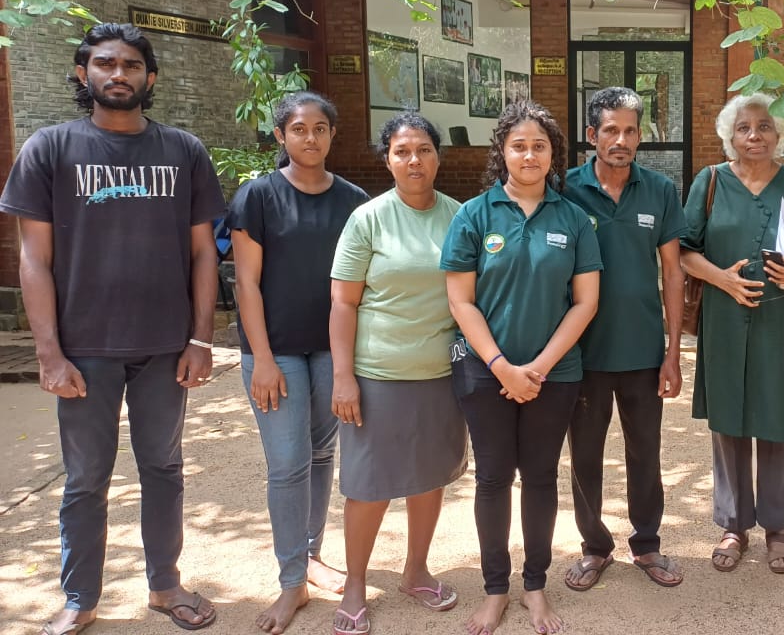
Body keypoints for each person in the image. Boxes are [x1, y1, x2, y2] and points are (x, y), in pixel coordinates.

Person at [0, 22, 224, 633]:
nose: (117, 74)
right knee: (86, 480)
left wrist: (201, 338)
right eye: (104, 64)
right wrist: (48, 352)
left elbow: (205, 252)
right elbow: (33, 260)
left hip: (164, 348)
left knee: (163, 469)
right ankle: (80, 598)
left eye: (130, 65)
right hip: (84, 349)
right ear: (83, 74)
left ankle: (165, 586)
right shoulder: (50, 149)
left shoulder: (182, 151)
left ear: (150, 78)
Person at [441, 100, 602, 635]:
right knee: (491, 478)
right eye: (519, 145)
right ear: (502, 152)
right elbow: (461, 301)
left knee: (539, 477)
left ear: (553, 153)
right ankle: (495, 590)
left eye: (539, 145)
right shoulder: (474, 215)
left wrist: (536, 367)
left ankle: (535, 586)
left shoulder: (574, 218)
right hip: (484, 374)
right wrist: (501, 365)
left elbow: (585, 302)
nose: (529, 154)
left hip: (554, 376)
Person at [678, 93, 784, 577]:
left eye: (765, 127)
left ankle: (776, 527)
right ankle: (733, 525)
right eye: (745, 128)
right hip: (724, 321)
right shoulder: (709, 182)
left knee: (777, 418)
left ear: (778, 135)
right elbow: (685, 251)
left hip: (780, 320)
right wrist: (720, 277)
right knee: (728, 420)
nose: (755, 136)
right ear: (731, 134)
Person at [227, 91, 369, 634]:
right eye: (298, 129)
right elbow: (246, 282)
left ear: (332, 135)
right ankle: (292, 583)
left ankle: (310, 555)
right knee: (287, 465)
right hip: (276, 351)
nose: (310, 138)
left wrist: (348, 362)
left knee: (319, 452)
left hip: (331, 350)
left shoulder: (353, 200)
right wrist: (262, 358)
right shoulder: (258, 197)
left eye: (320, 129)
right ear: (281, 135)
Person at [328, 113, 469, 635]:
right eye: (403, 151)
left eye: (425, 150)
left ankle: (415, 570)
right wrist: (344, 376)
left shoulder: (459, 215)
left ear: (438, 156)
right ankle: (355, 583)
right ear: (387, 158)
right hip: (377, 374)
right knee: (369, 485)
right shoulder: (368, 220)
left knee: (428, 477)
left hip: (439, 373)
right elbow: (343, 303)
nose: (415, 160)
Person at [561, 87, 688, 591]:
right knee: (586, 455)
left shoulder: (659, 190)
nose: (621, 139)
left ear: (641, 135)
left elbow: (673, 273)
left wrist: (674, 351)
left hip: (642, 351)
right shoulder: (565, 189)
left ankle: (648, 544)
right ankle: (594, 546)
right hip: (583, 353)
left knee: (646, 451)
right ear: (592, 136)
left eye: (630, 130)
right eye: (610, 130)